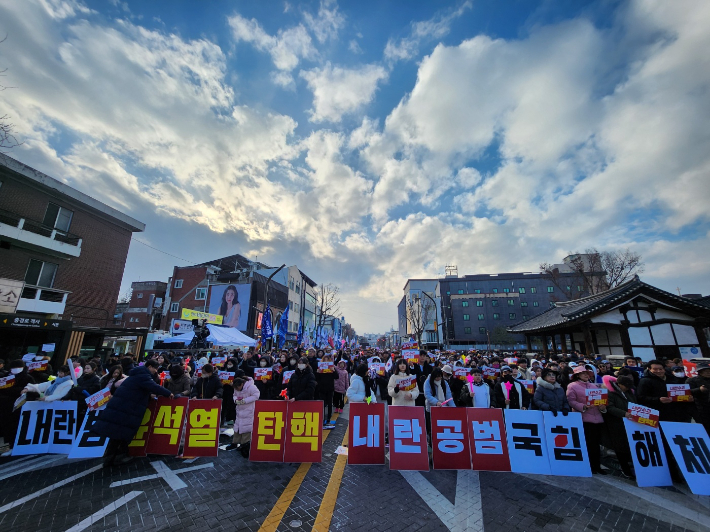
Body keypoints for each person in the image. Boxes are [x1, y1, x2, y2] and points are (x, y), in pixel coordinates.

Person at [92, 359, 173, 467]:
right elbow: (154, 387)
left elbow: (137, 390)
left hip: (122, 407)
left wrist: (148, 395)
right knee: (121, 433)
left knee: (116, 434)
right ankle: (117, 457)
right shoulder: (143, 376)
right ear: (149, 367)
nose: (155, 371)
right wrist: (169, 393)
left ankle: (111, 457)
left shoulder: (136, 375)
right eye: (155, 368)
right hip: (127, 409)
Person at [566, 365, 608, 475]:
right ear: (577, 375)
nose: (586, 375)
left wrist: (603, 407)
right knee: (588, 443)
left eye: (587, 373)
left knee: (596, 443)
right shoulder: (572, 386)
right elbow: (571, 401)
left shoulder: (594, 386)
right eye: (583, 373)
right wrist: (583, 406)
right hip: (583, 418)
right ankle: (590, 465)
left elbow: (601, 400)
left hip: (597, 418)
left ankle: (597, 465)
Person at [603, 375, 637, 479]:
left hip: (630, 422)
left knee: (630, 445)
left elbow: (635, 403)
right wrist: (623, 413)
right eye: (625, 386)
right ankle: (625, 469)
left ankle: (632, 467)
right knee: (620, 447)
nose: (627, 388)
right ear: (619, 384)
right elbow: (609, 407)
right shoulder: (610, 392)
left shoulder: (629, 392)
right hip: (616, 423)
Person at [0, 360, 35, 450]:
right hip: (4, 405)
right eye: (13, 368)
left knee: (15, 426)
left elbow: (31, 390)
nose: (15, 370)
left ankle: (13, 445)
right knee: (5, 425)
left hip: (18, 406)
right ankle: (8, 444)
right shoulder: (6, 376)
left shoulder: (27, 377)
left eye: (17, 368)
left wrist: (9, 390)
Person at [226, 375, 260, 456]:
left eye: (237, 387)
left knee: (246, 429)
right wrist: (236, 400)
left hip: (249, 410)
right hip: (239, 410)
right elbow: (234, 395)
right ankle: (235, 443)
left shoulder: (251, 387)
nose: (236, 389)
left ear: (241, 384)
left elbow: (256, 396)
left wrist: (244, 401)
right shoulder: (236, 387)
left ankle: (245, 445)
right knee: (237, 428)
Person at [316, 354, 339, 429]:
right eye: (324, 360)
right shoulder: (319, 368)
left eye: (327, 360)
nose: (326, 361)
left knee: (329, 404)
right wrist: (317, 372)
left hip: (330, 388)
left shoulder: (332, 368)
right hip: (322, 388)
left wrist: (333, 371)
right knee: (322, 404)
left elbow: (337, 377)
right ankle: (322, 419)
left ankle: (328, 419)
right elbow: (316, 378)